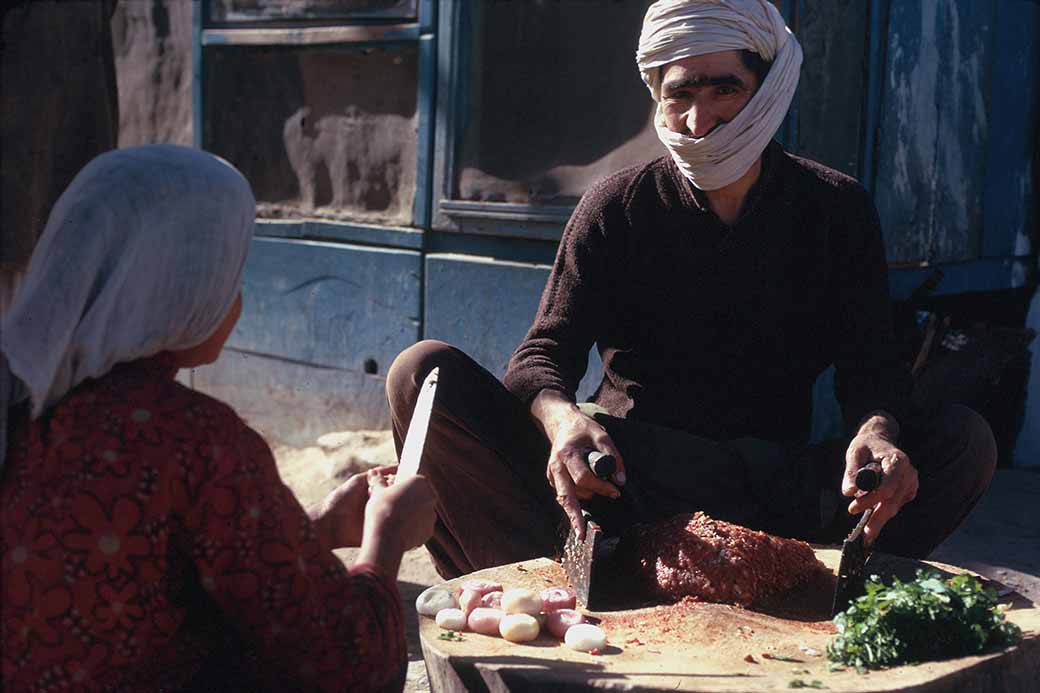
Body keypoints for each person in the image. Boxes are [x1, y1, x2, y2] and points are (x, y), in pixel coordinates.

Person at [385, 0, 996, 580]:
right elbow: (540, 359)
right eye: (680, 94)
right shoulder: (615, 206)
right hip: (626, 480)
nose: (700, 121)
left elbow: (872, 368)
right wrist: (563, 419)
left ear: (768, 88)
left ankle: (809, 583)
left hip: (776, 492)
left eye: (724, 89)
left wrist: (877, 432)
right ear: (657, 94)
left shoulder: (835, 208)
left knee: (962, 442)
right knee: (422, 373)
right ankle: (560, 581)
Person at [1, 145, 436, 691]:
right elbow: (342, 663)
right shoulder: (193, 441)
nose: (237, 297)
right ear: (176, 281)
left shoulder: (27, 411)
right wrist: (387, 539)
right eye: (229, 269)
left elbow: (152, 571)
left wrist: (315, 530)